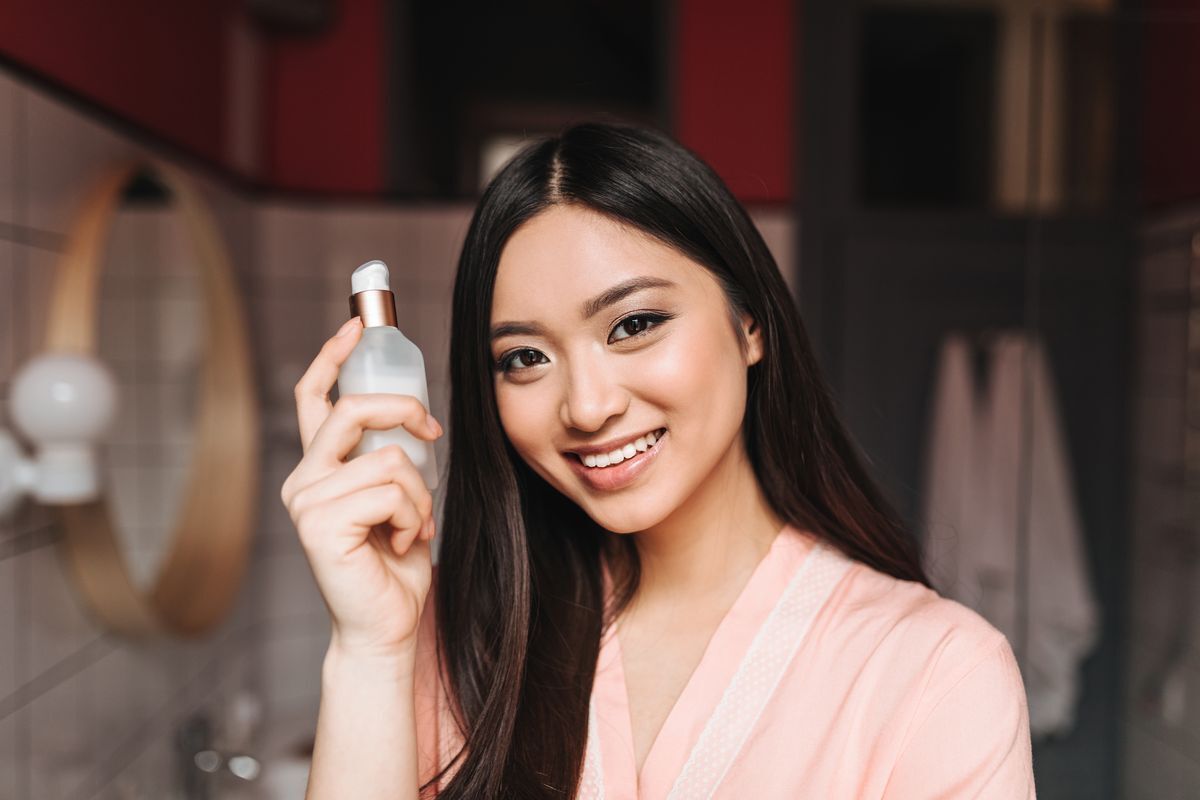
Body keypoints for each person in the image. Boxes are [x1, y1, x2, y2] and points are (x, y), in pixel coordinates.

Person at [280, 123, 1036, 799]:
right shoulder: (457, 644)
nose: (586, 405)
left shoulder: (934, 673)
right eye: (525, 357)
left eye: (634, 324)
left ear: (750, 324)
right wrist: (371, 649)